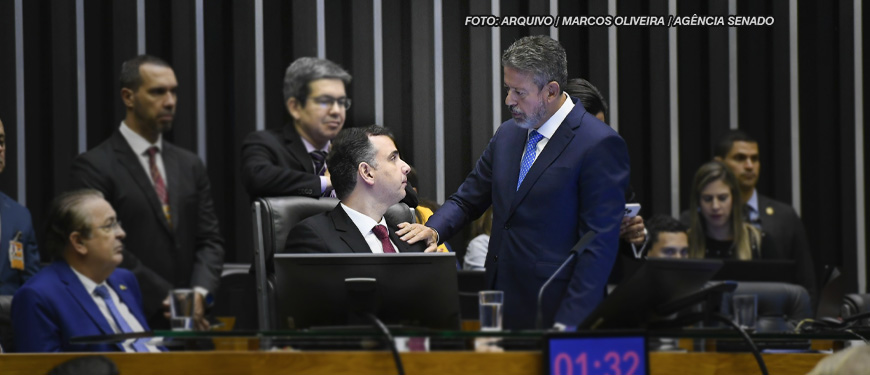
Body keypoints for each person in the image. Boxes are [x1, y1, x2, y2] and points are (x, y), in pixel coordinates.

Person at [399, 35, 630, 329]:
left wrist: (570, 323)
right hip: (498, 302)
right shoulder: (509, 133)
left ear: (551, 91)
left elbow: (599, 246)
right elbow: (467, 199)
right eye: (508, 89)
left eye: (519, 92)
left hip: (556, 310)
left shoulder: (599, 143)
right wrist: (434, 229)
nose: (509, 100)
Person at [70, 55, 224, 330]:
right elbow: (101, 246)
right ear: (128, 97)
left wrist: (198, 294)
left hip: (194, 323)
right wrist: (169, 298)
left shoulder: (190, 164)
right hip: (129, 317)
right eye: (158, 92)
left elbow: (209, 240)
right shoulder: (94, 166)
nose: (170, 101)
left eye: (173, 91)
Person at [12, 190, 159, 352]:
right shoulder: (38, 296)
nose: (121, 233)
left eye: (118, 224)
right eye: (109, 225)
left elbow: (149, 344)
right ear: (79, 242)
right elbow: (43, 369)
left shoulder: (125, 280)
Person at [281, 125, 426, 255]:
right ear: (367, 173)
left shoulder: (410, 238)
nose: (406, 167)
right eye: (393, 158)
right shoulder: (313, 238)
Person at [240, 57, 352, 198]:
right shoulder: (266, 144)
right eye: (325, 101)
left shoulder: (352, 151)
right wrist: (327, 182)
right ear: (295, 107)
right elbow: (257, 177)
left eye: (341, 102)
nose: (336, 111)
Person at [687, 161, 768, 259]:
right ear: (698, 202)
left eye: (722, 198)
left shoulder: (759, 241)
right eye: (707, 199)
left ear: (734, 199)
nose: (715, 206)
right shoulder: (686, 242)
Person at [0, 117, 40, 315]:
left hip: (11, 331)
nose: (0, 149)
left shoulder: (19, 216)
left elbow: (32, 287)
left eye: (1, 142)